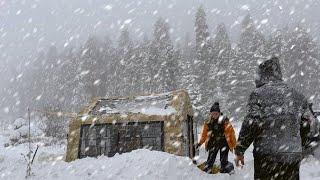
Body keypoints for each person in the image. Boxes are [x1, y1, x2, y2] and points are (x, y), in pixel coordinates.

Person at [234, 57, 319, 180]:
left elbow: (251, 123)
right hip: (291, 156)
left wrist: (240, 150)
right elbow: (307, 125)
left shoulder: (258, 94)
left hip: (266, 155)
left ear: (262, 75)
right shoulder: (297, 96)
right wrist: (300, 145)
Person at [196, 102, 236, 173]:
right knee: (210, 159)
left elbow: (231, 133)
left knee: (223, 160)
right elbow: (204, 134)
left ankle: (224, 171)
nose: (214, 115)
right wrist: (200, 143)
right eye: (213, 113)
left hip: (224, 142)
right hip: (213, 143)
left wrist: (235, 145)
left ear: (219, 113)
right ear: (210, 113)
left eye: (216, 114)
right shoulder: (208, 122)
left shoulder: (225, 121)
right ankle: (208, 170)